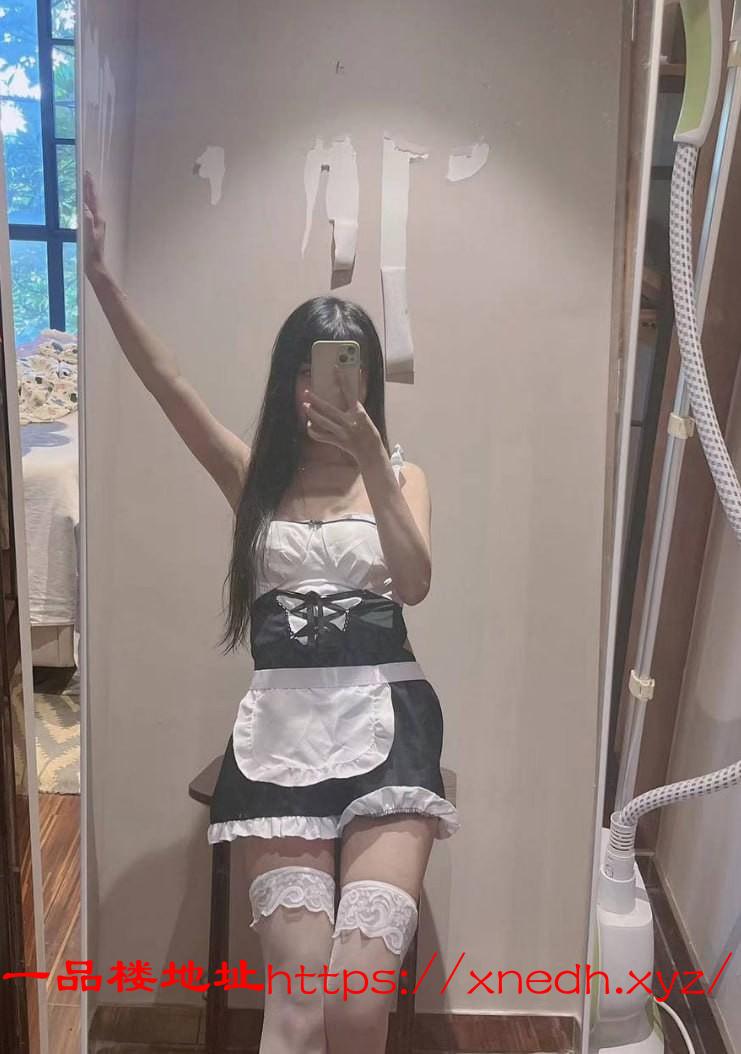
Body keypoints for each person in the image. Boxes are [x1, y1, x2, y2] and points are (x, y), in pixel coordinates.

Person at [83, 169, 459, 1054]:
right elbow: (171, 386)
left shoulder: (403, 475)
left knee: (355, 1003)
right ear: (290, 380)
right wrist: (99, 278)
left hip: (389, 720)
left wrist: (372, 460)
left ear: (365, 380)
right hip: (280, 730)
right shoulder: (253, 478)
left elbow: (412, 584)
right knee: (295, 1005)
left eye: (342, 368)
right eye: (308, 368)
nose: (320, 386)